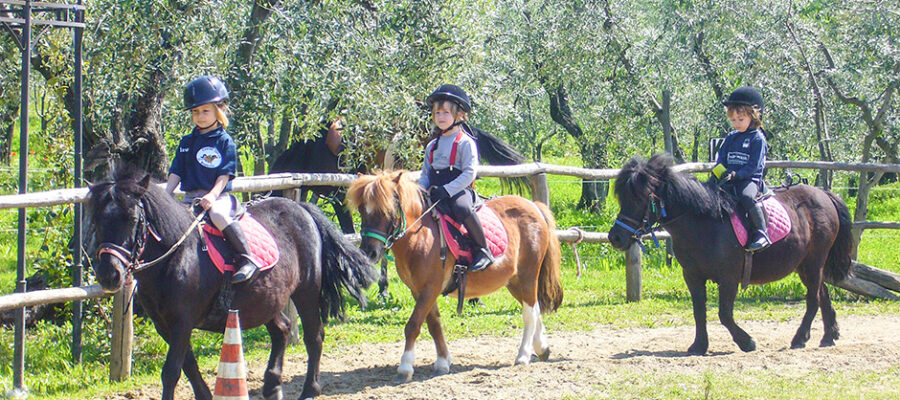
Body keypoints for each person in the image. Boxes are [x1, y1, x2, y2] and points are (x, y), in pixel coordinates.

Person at [165, 76, 260, 283]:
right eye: (195, 112)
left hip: (219, 197)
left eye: (205, 111)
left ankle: (247, 258)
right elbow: (176, 172)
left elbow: (224, 175)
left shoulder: (224, 141)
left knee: (217, 214)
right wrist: (165, 196)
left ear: (219, 110)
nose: (200, 116)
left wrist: (212, 195)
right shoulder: (187, 142)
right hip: (191, 198)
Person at [419, 84, 494, 272]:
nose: (440, 118)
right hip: (435, 191)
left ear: (459, 115)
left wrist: (447, 190)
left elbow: (470, 173)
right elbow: (426, 173)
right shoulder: (432, 146)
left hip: (458, 190)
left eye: (445, 113)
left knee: (461, 207)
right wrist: (420, 191)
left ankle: (483, 249)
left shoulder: (465, 142)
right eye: (437, 114)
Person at [713, 86, 770, 252]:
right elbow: (721, 158)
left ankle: (761, 232)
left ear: (753, 117)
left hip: (749, 180)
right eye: (733, 120)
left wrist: (737, 175)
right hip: (729, 179)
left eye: (741, 119)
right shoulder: (731, 137)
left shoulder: (758, 139)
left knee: (746, 197)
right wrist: (720, 172)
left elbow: (754, 166)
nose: (736, 124)